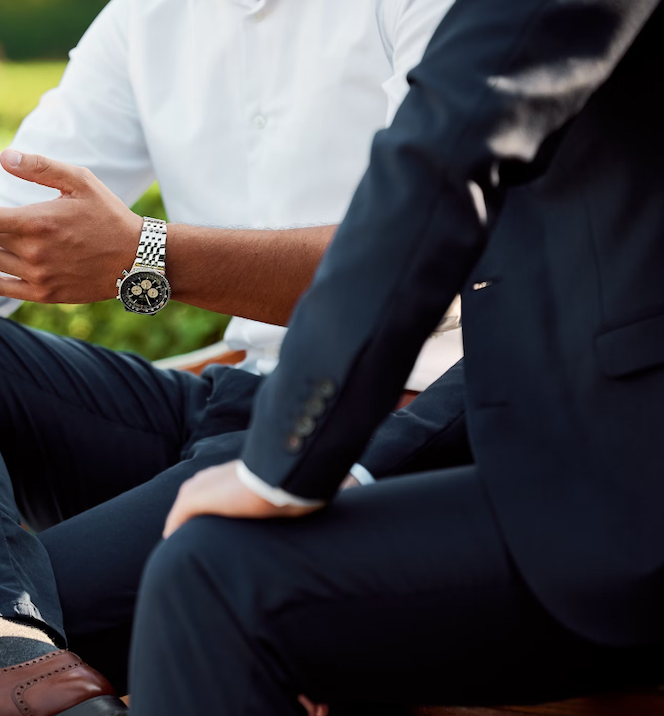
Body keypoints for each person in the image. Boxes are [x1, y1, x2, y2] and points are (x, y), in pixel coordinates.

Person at [0, 0, 458, 713]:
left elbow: (416, 256)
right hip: (232, 400)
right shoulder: (149, 17)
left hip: (383, 421)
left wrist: (148, 256)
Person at [125, 0, 664, 713]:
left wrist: (284, 463)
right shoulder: (142, 21)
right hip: (526, 450)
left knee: (213, 579)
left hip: (619, 490)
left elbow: (443, 153)